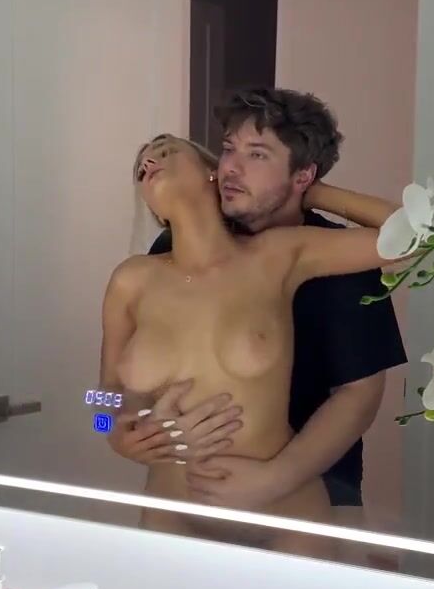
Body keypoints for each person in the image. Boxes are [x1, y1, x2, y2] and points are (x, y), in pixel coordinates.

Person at [102, 123, 399, 557]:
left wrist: (309, 190)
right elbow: (99, 396)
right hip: (172, 514)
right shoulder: (130, 280)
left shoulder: (275, 255)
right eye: (141, 169)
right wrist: (114, 432)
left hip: (285, 518)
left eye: (165, 151)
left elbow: (414, 237)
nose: (149, 162)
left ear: (212, 173)